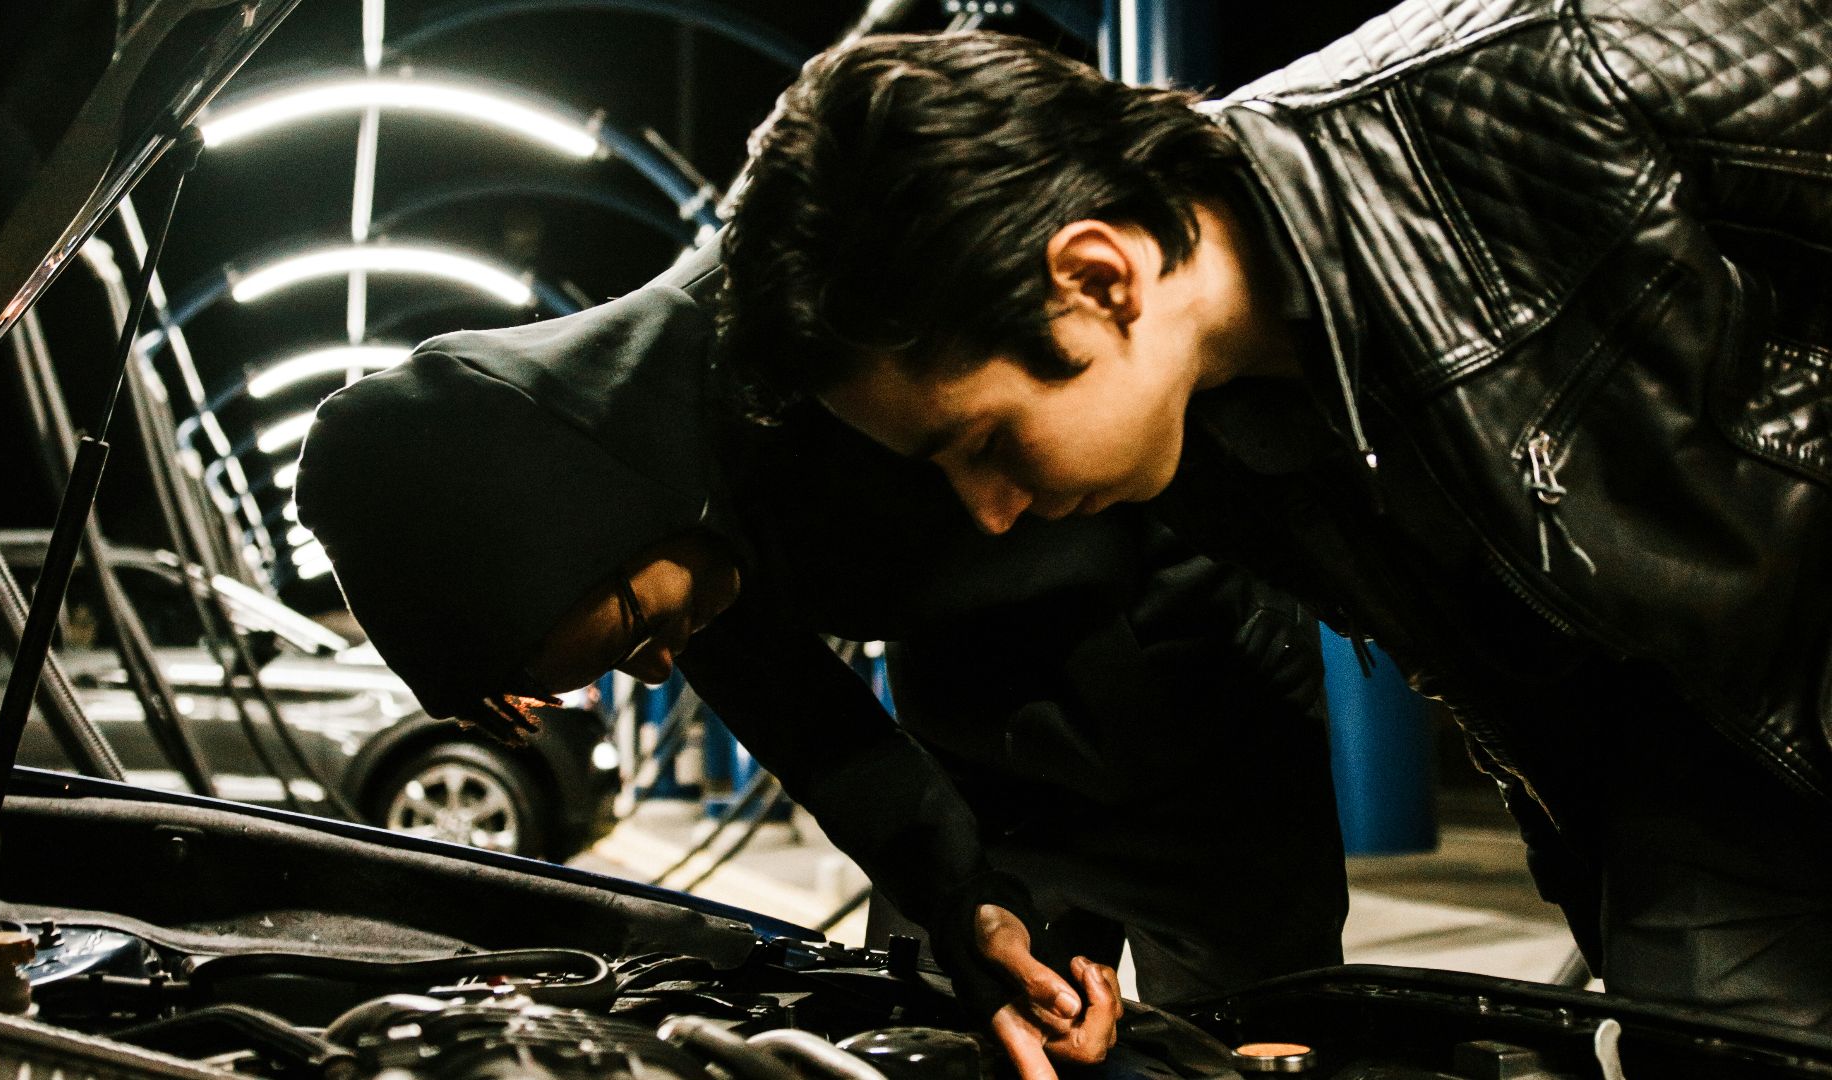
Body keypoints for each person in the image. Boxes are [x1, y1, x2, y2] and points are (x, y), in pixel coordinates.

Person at [716, 1, 1832, 1029]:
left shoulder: (1545, 72)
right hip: (1688, 803)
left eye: (987, 442)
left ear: (1099, 278)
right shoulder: (1206, 449)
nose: (991, 512)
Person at [294, 247, 1348, 1079]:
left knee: (1249, 1038)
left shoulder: (824, 302)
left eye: (631, 631)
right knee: (949, 1023)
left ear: (591, 513)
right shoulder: (664, 515)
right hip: (977, 725)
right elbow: (815, 728)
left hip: (1197, 695)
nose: (663, 666)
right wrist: (961, 898)